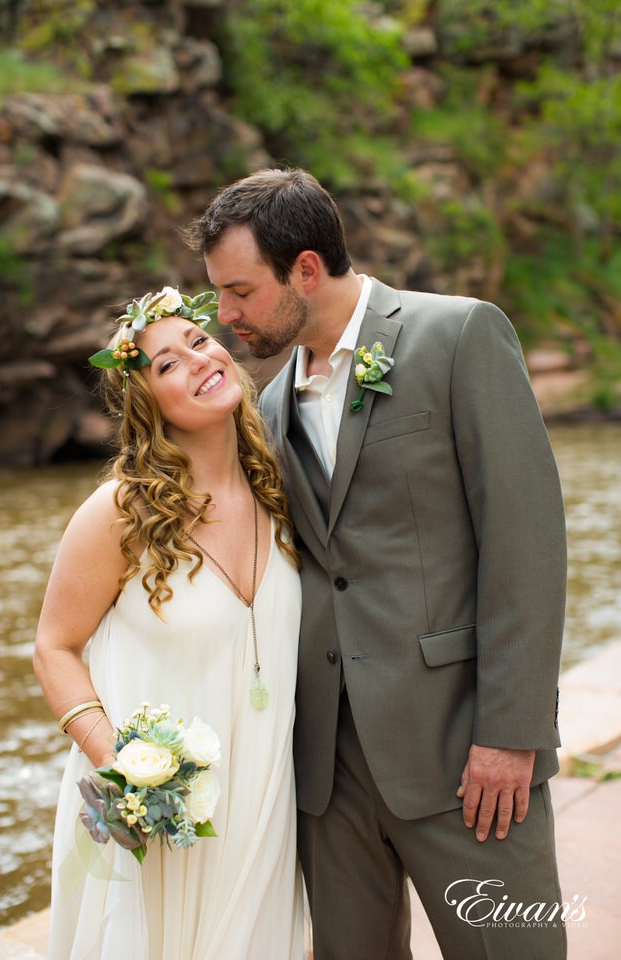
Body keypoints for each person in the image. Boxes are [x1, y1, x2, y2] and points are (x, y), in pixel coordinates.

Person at [183, 168, 569, 960]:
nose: (225, 316)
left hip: (464, 753)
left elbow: (527, 541)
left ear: (306, 270)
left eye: (239, 291)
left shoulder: (457, 335)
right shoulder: (267, 403)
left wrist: (511, 733)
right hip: (327, 774)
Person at [33, 286, 305, 960]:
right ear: (146, 403)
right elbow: (54, 647)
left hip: (265, 792)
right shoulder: (118, 511)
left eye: (199, 340)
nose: (197, 358)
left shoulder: (283, 486)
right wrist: (125, 771)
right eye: (166, 364)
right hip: (154, 809)